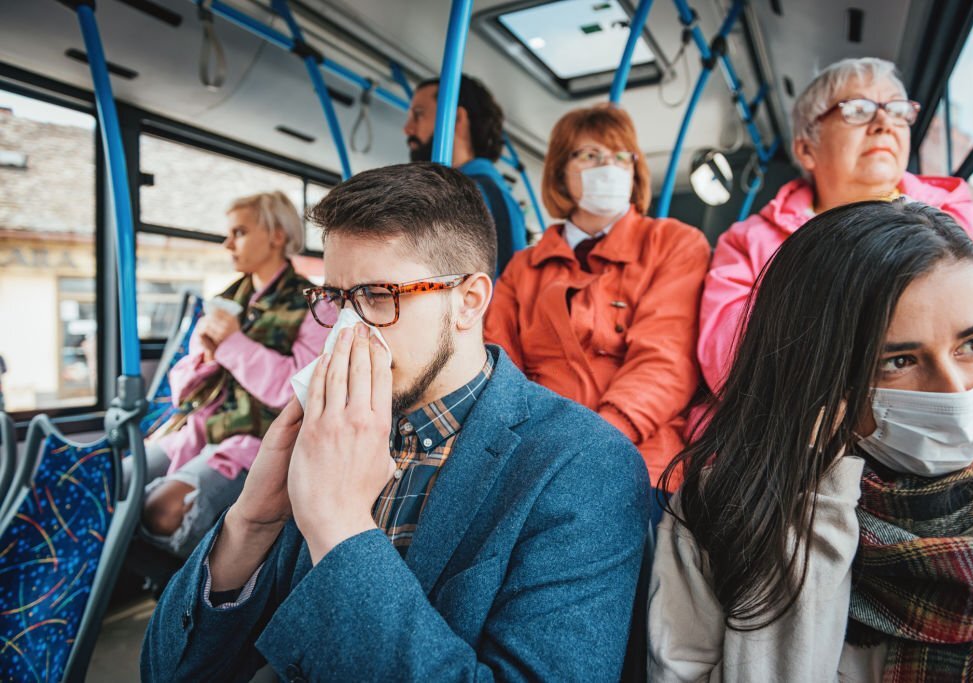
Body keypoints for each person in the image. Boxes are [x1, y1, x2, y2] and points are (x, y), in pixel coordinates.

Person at [140, 163, 649, 681]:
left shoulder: (584, 465)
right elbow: (168, 671)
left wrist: (339, 526)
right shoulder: (330, 431)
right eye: (336, 299)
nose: (346, 329)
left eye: (378, 297)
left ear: (468, 301)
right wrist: (253, 520)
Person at [648, 200, 973, 681]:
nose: (955, 390)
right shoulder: (723, 508)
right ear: (819, 371)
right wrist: (810, 506)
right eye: (900, 361)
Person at [697, 57, 973, 418]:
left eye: (898, 111)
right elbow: (730, 355)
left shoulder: (968, 221)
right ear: (807, 148)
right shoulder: (750, 242)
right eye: (857, 110)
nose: (885, 123)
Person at [485, 104, 710, 488]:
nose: (610, 166)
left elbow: (665, 360)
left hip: (641, 457)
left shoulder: (675, 244)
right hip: (537, 456)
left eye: (622, 157)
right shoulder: (524, 267)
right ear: (559, 171)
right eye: (591, 155)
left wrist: (594, 446)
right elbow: (496, 363)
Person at [137, 192, 329, 558]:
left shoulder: (315, 305)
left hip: (258, 440)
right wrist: (209, 356)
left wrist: (233, 343)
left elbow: (293, 390)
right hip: (203, 428)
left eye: (239, 232)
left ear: (276, 236)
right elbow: (182, 391)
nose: (228, 244)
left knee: (163, 510)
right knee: (118, 479)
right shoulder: (224, 301)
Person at [404, 74, 527, 275]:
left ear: (457, 119)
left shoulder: (467, 195)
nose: (407, 128)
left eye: (418, 114)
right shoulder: (490, 191)